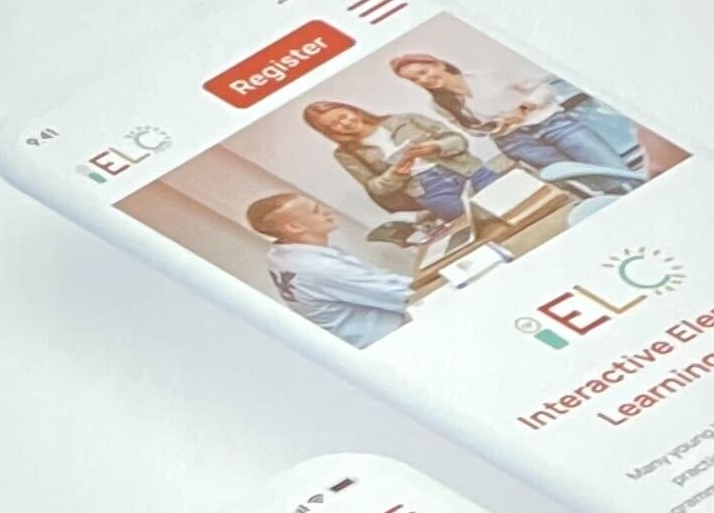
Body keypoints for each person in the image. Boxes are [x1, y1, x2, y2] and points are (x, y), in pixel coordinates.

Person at [388, 50, 652, 192]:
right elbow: (471, 132)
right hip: (515, 142)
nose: (423, 80)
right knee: (591, 181)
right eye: (415, 80)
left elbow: (545, 90)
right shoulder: (439, 104)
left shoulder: (487, 74)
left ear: (437, 64)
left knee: (613, 170)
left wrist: (522, 108)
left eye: (423, 72)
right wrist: (491, 128)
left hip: (552, 123)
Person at [246, 192, 416, 349]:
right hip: (392, 342)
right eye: (316, 211)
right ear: (294, 227)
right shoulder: (316, 267)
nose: (326, 212)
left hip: (377, 337)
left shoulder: (280, 255)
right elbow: (404, 295)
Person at [302, 95, 498, 225]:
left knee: (508, 200)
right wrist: (395, 174)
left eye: (343, 116)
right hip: (429, 190)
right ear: (330, 132)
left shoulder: (406, 119)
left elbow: (459, 141)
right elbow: (374, 187)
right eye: (334, 125)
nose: (344, 123)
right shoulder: (345, 154)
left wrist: (436, 147)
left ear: (354, 110)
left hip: (466, 169)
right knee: (475, 226)